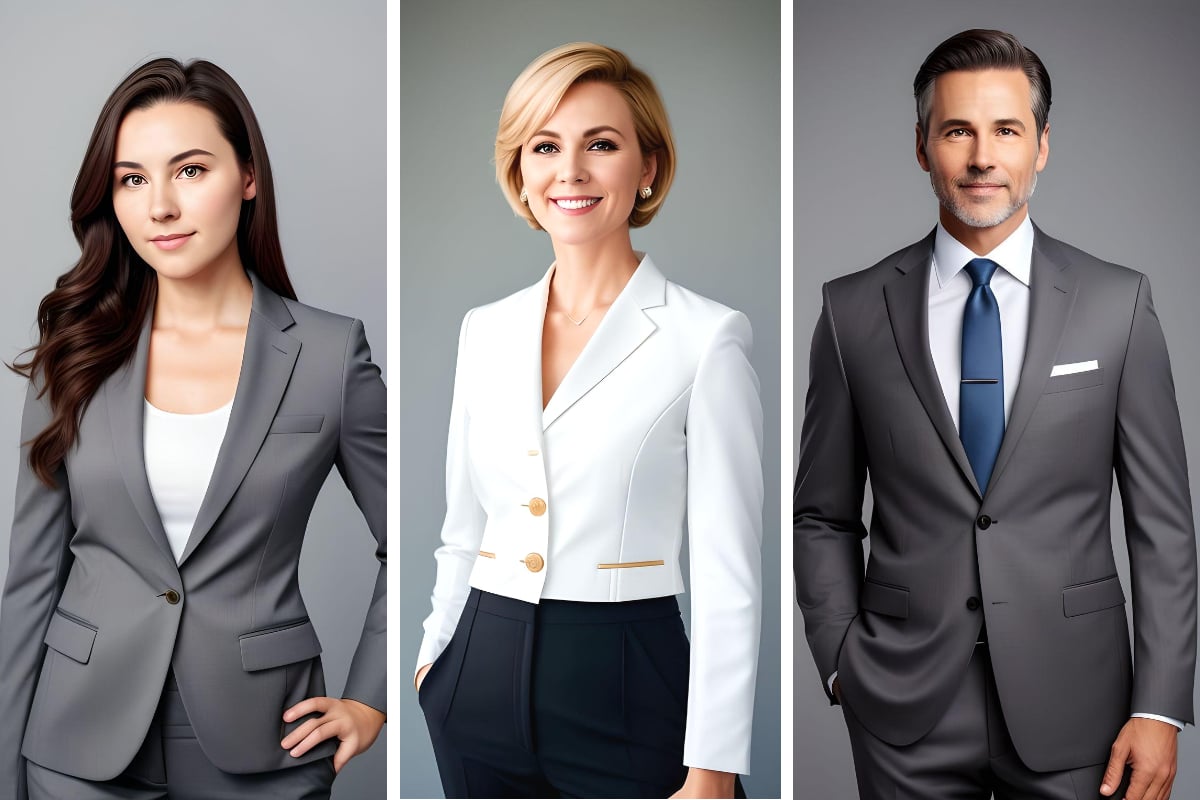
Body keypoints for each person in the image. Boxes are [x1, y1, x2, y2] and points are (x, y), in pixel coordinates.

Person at [794, 28, 1195, 800]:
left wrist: (1160, 707)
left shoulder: (1119, 303)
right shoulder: (850, 311)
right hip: (902, 708)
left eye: (1006, 130)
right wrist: (841, 663)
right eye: (958, 131)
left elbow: (1164, 526)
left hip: (1082, 708)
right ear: (922, 147)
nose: (983, 157)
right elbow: (823, 515)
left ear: (1041, 145)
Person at [0, 58, 386, 799]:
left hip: (266, 743)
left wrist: (371, 699)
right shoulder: (74, 352)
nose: (160, 207)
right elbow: (30, 579)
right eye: (132, 179)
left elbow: (412, 531)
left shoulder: (330, 355)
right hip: (75, 741)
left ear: (247, 177)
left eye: (190, 170)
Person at [414, 42, 763, 799]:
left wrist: (713, 766)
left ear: (647, 167)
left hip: (628, 678)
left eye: (600, 144)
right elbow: (462, 529)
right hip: (476, 675)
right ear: (521, 170)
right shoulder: (485, 329)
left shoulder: (706, 337)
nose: (568, 172)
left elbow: (729, 571)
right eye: (546, 146)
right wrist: (432, 661)